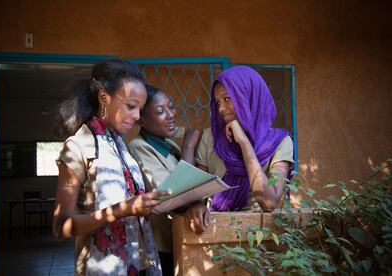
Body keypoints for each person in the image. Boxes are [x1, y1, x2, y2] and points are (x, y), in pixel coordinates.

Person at [52, 59, 169, 276]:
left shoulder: (118, 145)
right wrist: (121, 210)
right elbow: (61, 226)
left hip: (139, 265)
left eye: (140, 109)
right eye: (131, 106)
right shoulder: (79, 146)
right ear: (104, 97)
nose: (137, 116)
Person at [185, 65, 295, 234]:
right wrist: (197, 203)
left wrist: (244, 142)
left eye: (227, 99)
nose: (222, 109)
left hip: (262, 237)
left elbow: (269, 202)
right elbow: (198, 191)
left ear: (248, 97)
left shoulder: (279, 142)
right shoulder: (211, 138)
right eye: (218, 102)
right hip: (214, 232)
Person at [128, 84, 201, 276]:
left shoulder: (167, 143)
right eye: (160, 111)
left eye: (171, 106)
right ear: (141, 120)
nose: (170, 115)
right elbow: (174, 195)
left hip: (178, 237)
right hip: (161, 247)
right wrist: (188, 147)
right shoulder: (139, 147)